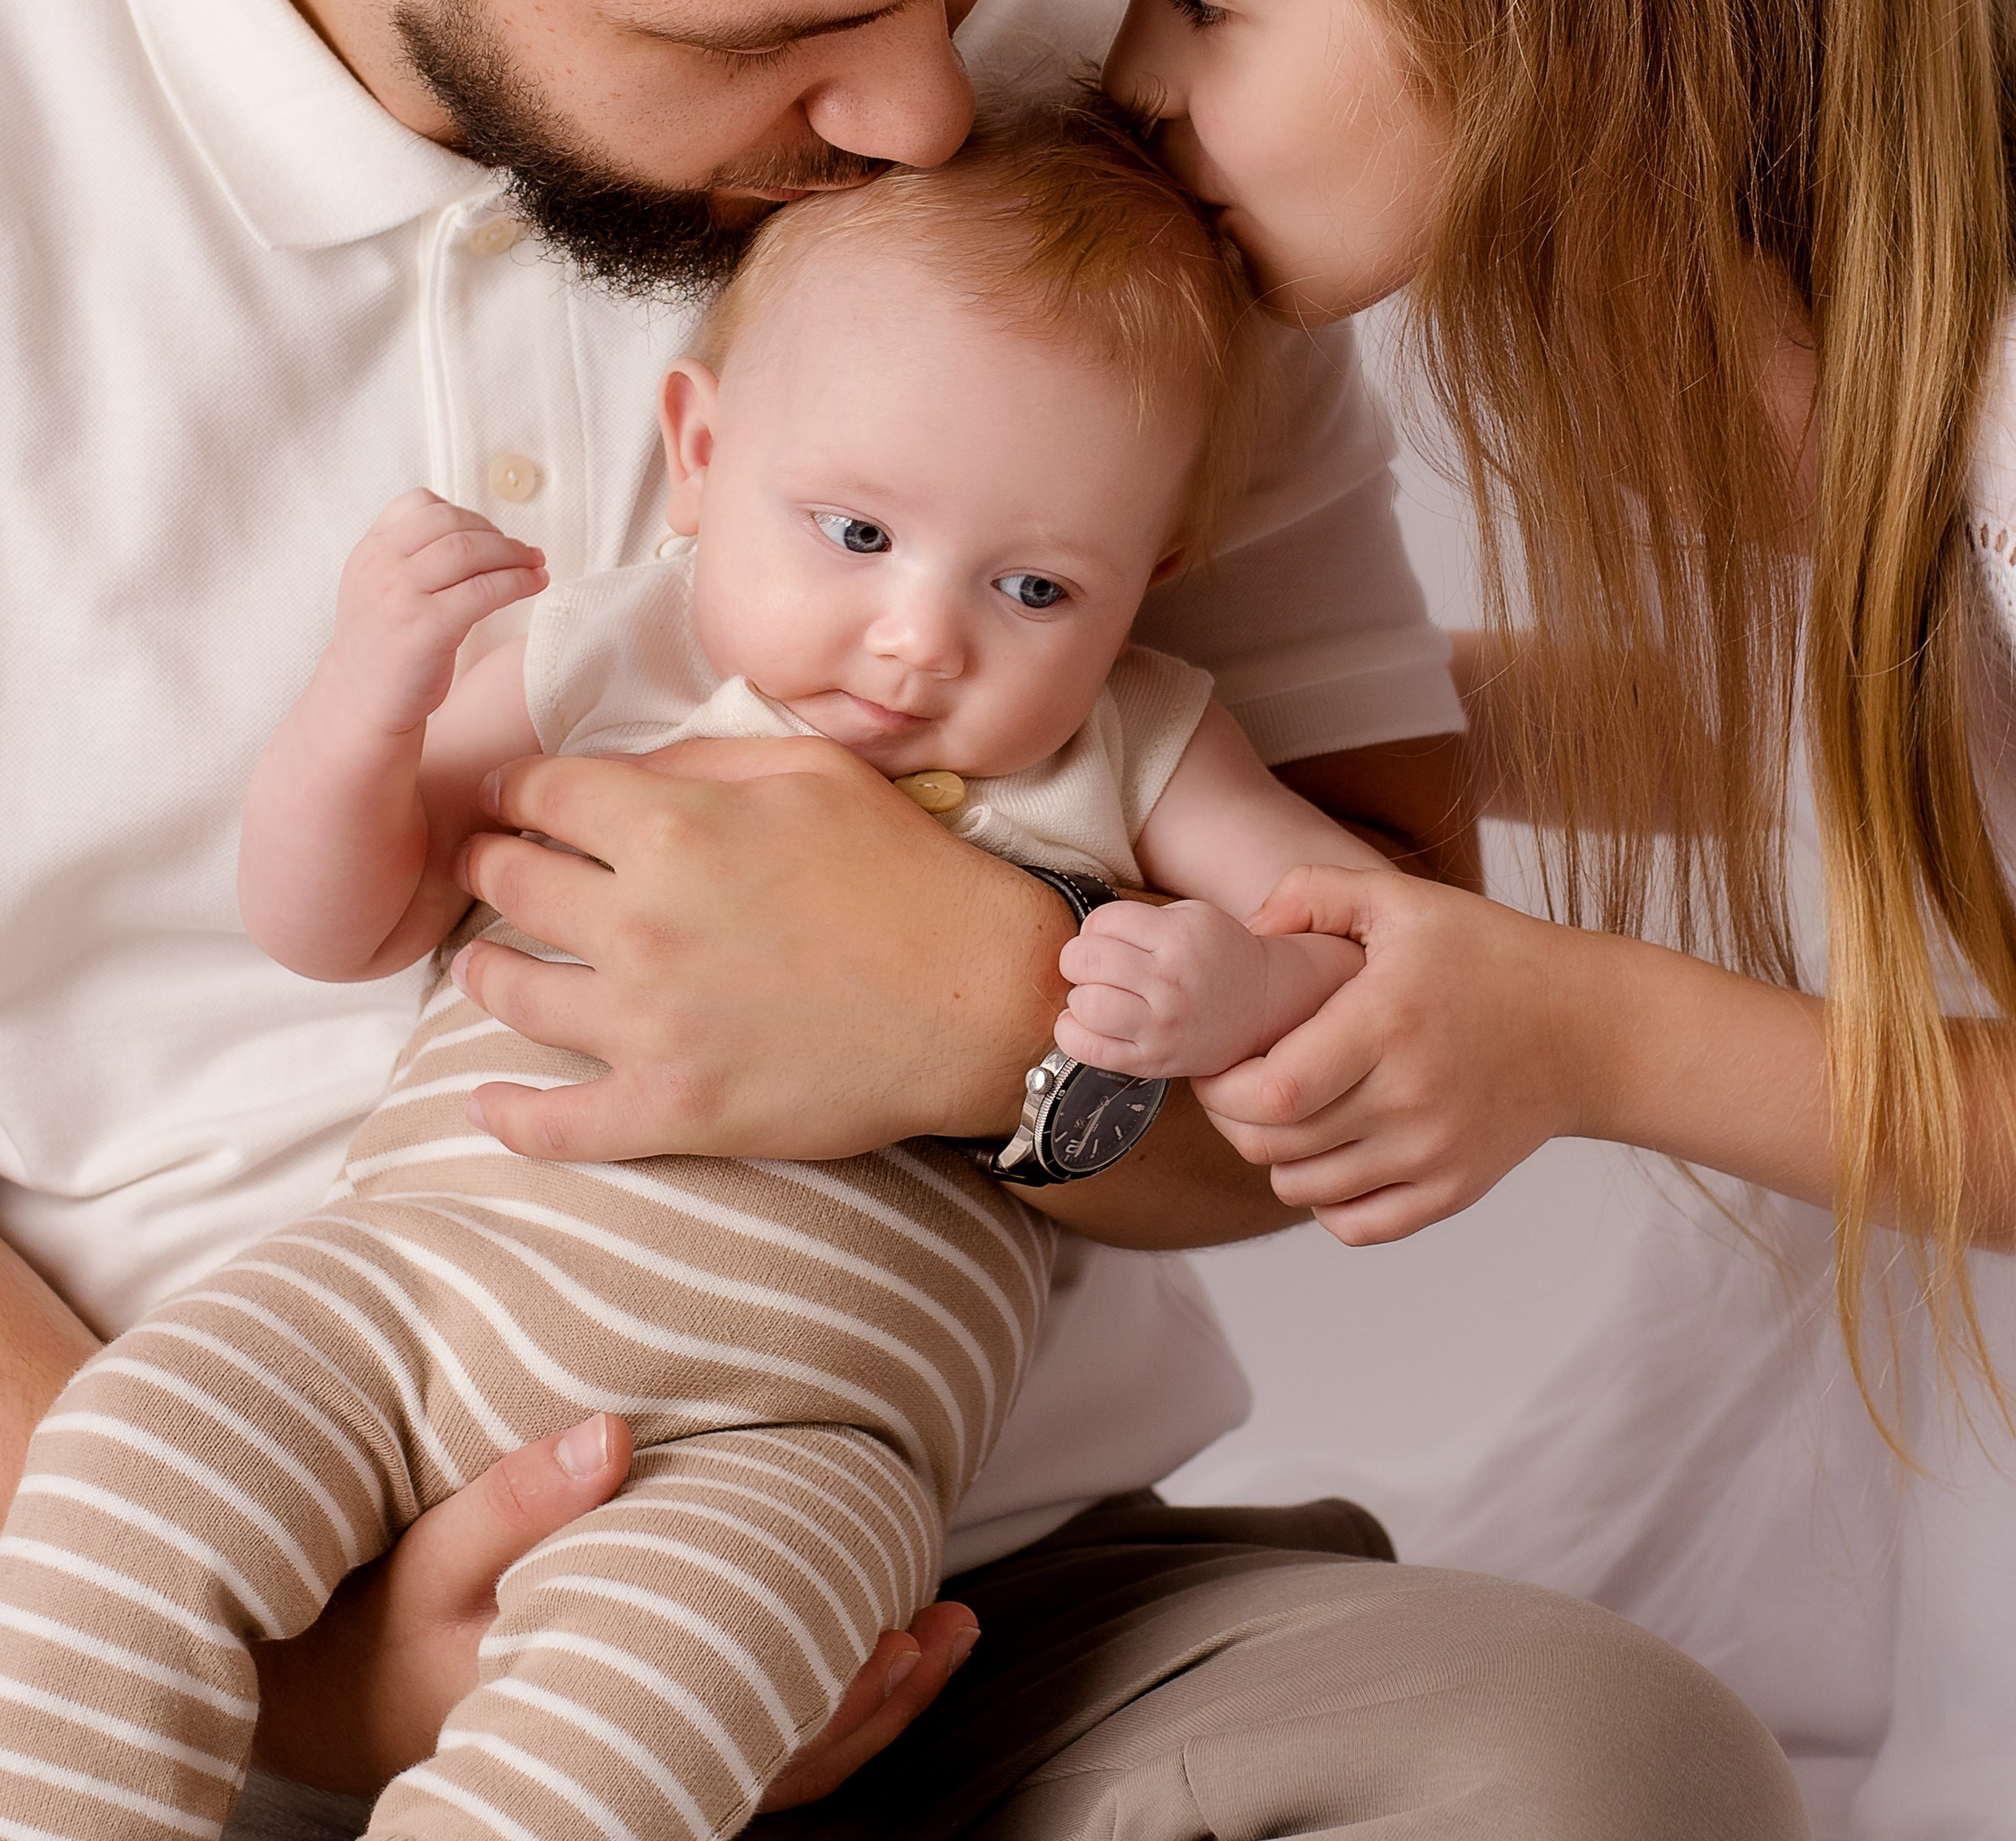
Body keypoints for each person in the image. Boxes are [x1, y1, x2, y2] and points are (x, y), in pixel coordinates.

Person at [0, 0, 1800, 1839]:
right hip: (179, 1584)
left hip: (961, 1581)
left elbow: (1349, 997)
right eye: (779, 35)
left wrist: (1001, 1017)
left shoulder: (1096, 164)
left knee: (1595, 1769)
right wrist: (317, 1681)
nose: (935, 118)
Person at [1055, 0, 2016, 1833]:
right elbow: (1875, 728)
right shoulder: (1783, 346)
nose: (1125, 79)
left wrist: (1595, 1035)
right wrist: (1262, 743)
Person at [0, 107, 1415, 1839]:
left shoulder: (1133, 752)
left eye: (1036, 584)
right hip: (412, 1295)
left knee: (628, 1734)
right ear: (699, 448)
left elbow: (1371, 950)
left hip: (794, 1439)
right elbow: (330, 921)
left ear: (1150, 586)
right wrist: (364, 705)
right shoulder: (617, 652)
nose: (916, 638)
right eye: (853, 533)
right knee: (130, 1472)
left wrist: (1225, 987)